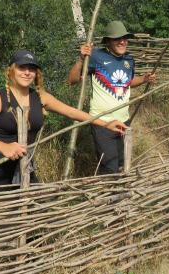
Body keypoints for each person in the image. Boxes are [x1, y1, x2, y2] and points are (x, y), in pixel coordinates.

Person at [0, 50, 127, 190]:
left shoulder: (40, 97)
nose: (27, 72)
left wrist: (105, 123)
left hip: (24, 168)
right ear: (11, 70)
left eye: (31, 69)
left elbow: (72, 112)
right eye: (22, 67)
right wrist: (3, 147)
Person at [67, 20, 157, 174]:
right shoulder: (95, 57)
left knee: (123, 164)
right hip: (102, 122)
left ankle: (121, 196)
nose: (122, 41)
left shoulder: (129, 60)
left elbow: (126, 83)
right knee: (109, 168)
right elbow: (72, 81)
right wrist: (81, 60)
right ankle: (106, 196)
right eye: (117, 38)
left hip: (124, 121)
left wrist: (144, 79)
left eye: (124, 38)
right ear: (108, 41)